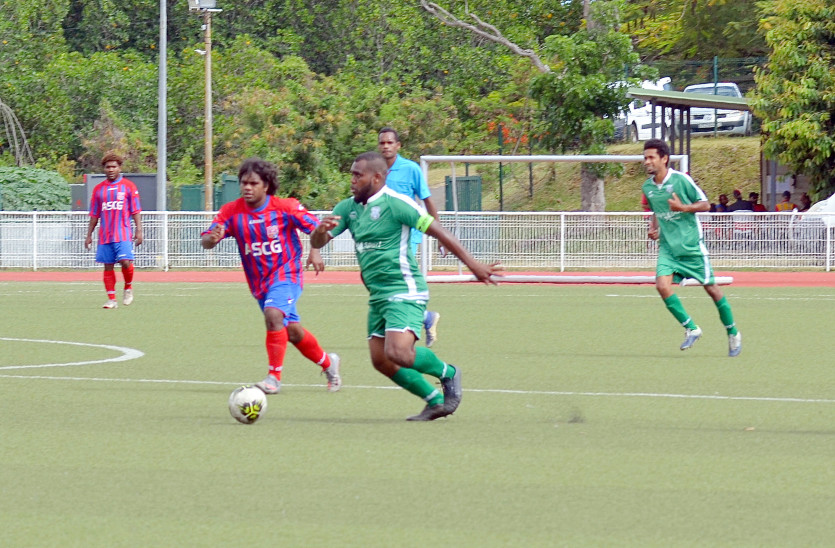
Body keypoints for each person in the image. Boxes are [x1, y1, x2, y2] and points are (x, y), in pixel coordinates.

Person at [310, 151, 502, 421]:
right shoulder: (347, 208)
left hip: (404, 289)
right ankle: (434, 401)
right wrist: (319, 232)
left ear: (377, 178)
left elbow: (438, 231)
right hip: (378, 295)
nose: (352, 180)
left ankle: (448, 373)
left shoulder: (397, 203)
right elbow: (318, 242)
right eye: (351, 174)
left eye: (357, 175)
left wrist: (473, 265)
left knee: (398, 352)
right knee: (381, 361)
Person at [201, 157, 341, 394]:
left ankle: (273, 378)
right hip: (259, 283)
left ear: (266, 185)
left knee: (273, 314)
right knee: (292, 332)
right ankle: (329, 364)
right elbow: (206, 241)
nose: (247, 187)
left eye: (253, 183)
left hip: (287, 274)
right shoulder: (231, 212)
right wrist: (211, 239)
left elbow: (317, 235)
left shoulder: (286, 207)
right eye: (244, 183)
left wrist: (319, 234)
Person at [641, 139, 742, 357]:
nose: (647, 161)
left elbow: (705, 205)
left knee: (712, 289)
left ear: (664, 159)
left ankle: (733, 332)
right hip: (668, 249)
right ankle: (692, 328)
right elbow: (657, 211)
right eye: (645, 157)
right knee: (662, 286)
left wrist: (683, 207)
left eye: (651, 157)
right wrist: (653, 227)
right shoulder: (648, 187)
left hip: (691, 246)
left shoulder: (681, 180)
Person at [377, 127, 442, 347]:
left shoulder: (411, 169)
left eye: (389, 142)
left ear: (398, 145)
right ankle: (424, 318)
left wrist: (439, 234)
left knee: (400, 281)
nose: (386, 146)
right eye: (382, 143)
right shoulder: (375, 169)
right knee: (385, 283)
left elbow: (427, 200)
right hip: (382, 238)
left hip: (407, 236)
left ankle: (409, 325)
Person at [84, 152, 143, 309]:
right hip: (105, 235)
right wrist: (89, 235)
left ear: (119, 168)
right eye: (108, 167)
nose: (110, 169)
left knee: (125, 262)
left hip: (123, 233)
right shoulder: (98, 190)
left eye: (114, 167)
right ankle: (112, 299)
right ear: (104, 169)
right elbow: (94, 214)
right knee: (108, 266)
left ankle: (128, 287)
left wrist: (139, 230)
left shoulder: (128, 186)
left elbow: (136, 210)